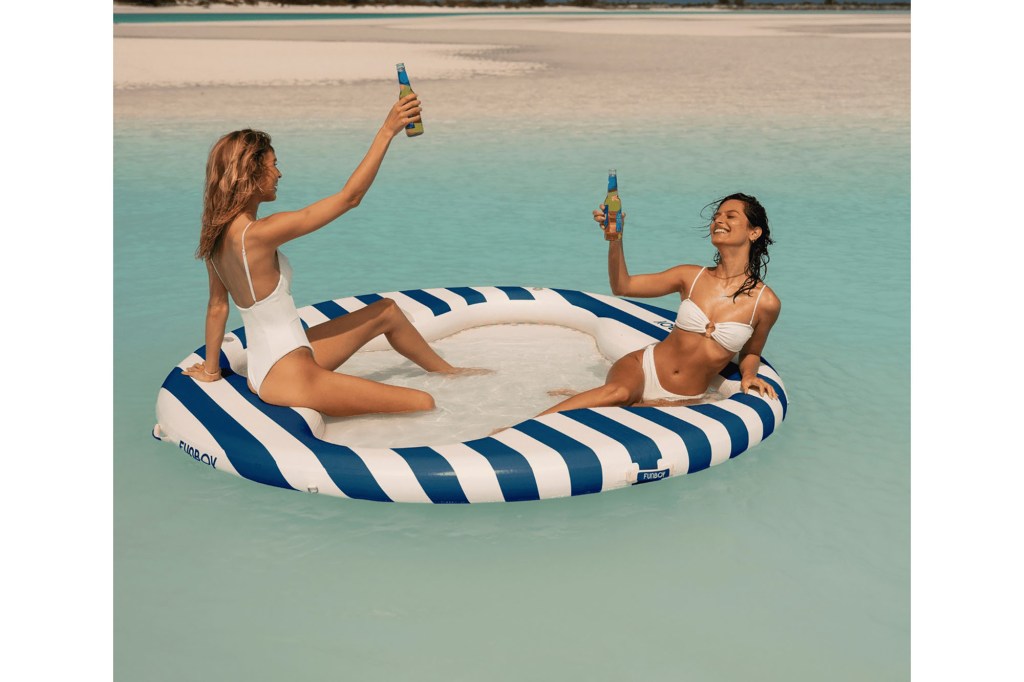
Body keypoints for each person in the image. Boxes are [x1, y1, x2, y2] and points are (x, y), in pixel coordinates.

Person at [182, 94, 484, 417]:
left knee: (387, 312)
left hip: (272, 364)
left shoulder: (215, 238)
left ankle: (450, 373)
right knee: (424, 403)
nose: (279, 174)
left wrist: (212, 369)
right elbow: (350, 197)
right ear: (252, 176)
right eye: (273, 165)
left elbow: (217, 306)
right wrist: (387, 130)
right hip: (290, 377)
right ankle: (450, 393)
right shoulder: (260, 233)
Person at [538, 193, 781, 416]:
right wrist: (615, 238)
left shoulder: (765, 302)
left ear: (754, 232)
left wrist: (749, 376)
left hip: (684, 397)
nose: (718, 220)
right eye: (716, 216)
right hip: (643, 369)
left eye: (730, 216)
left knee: (626, 407)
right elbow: (623, 286)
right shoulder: (690, 276)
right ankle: (521, 428)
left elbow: (751, 352)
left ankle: (580, 397)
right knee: (618, 394)